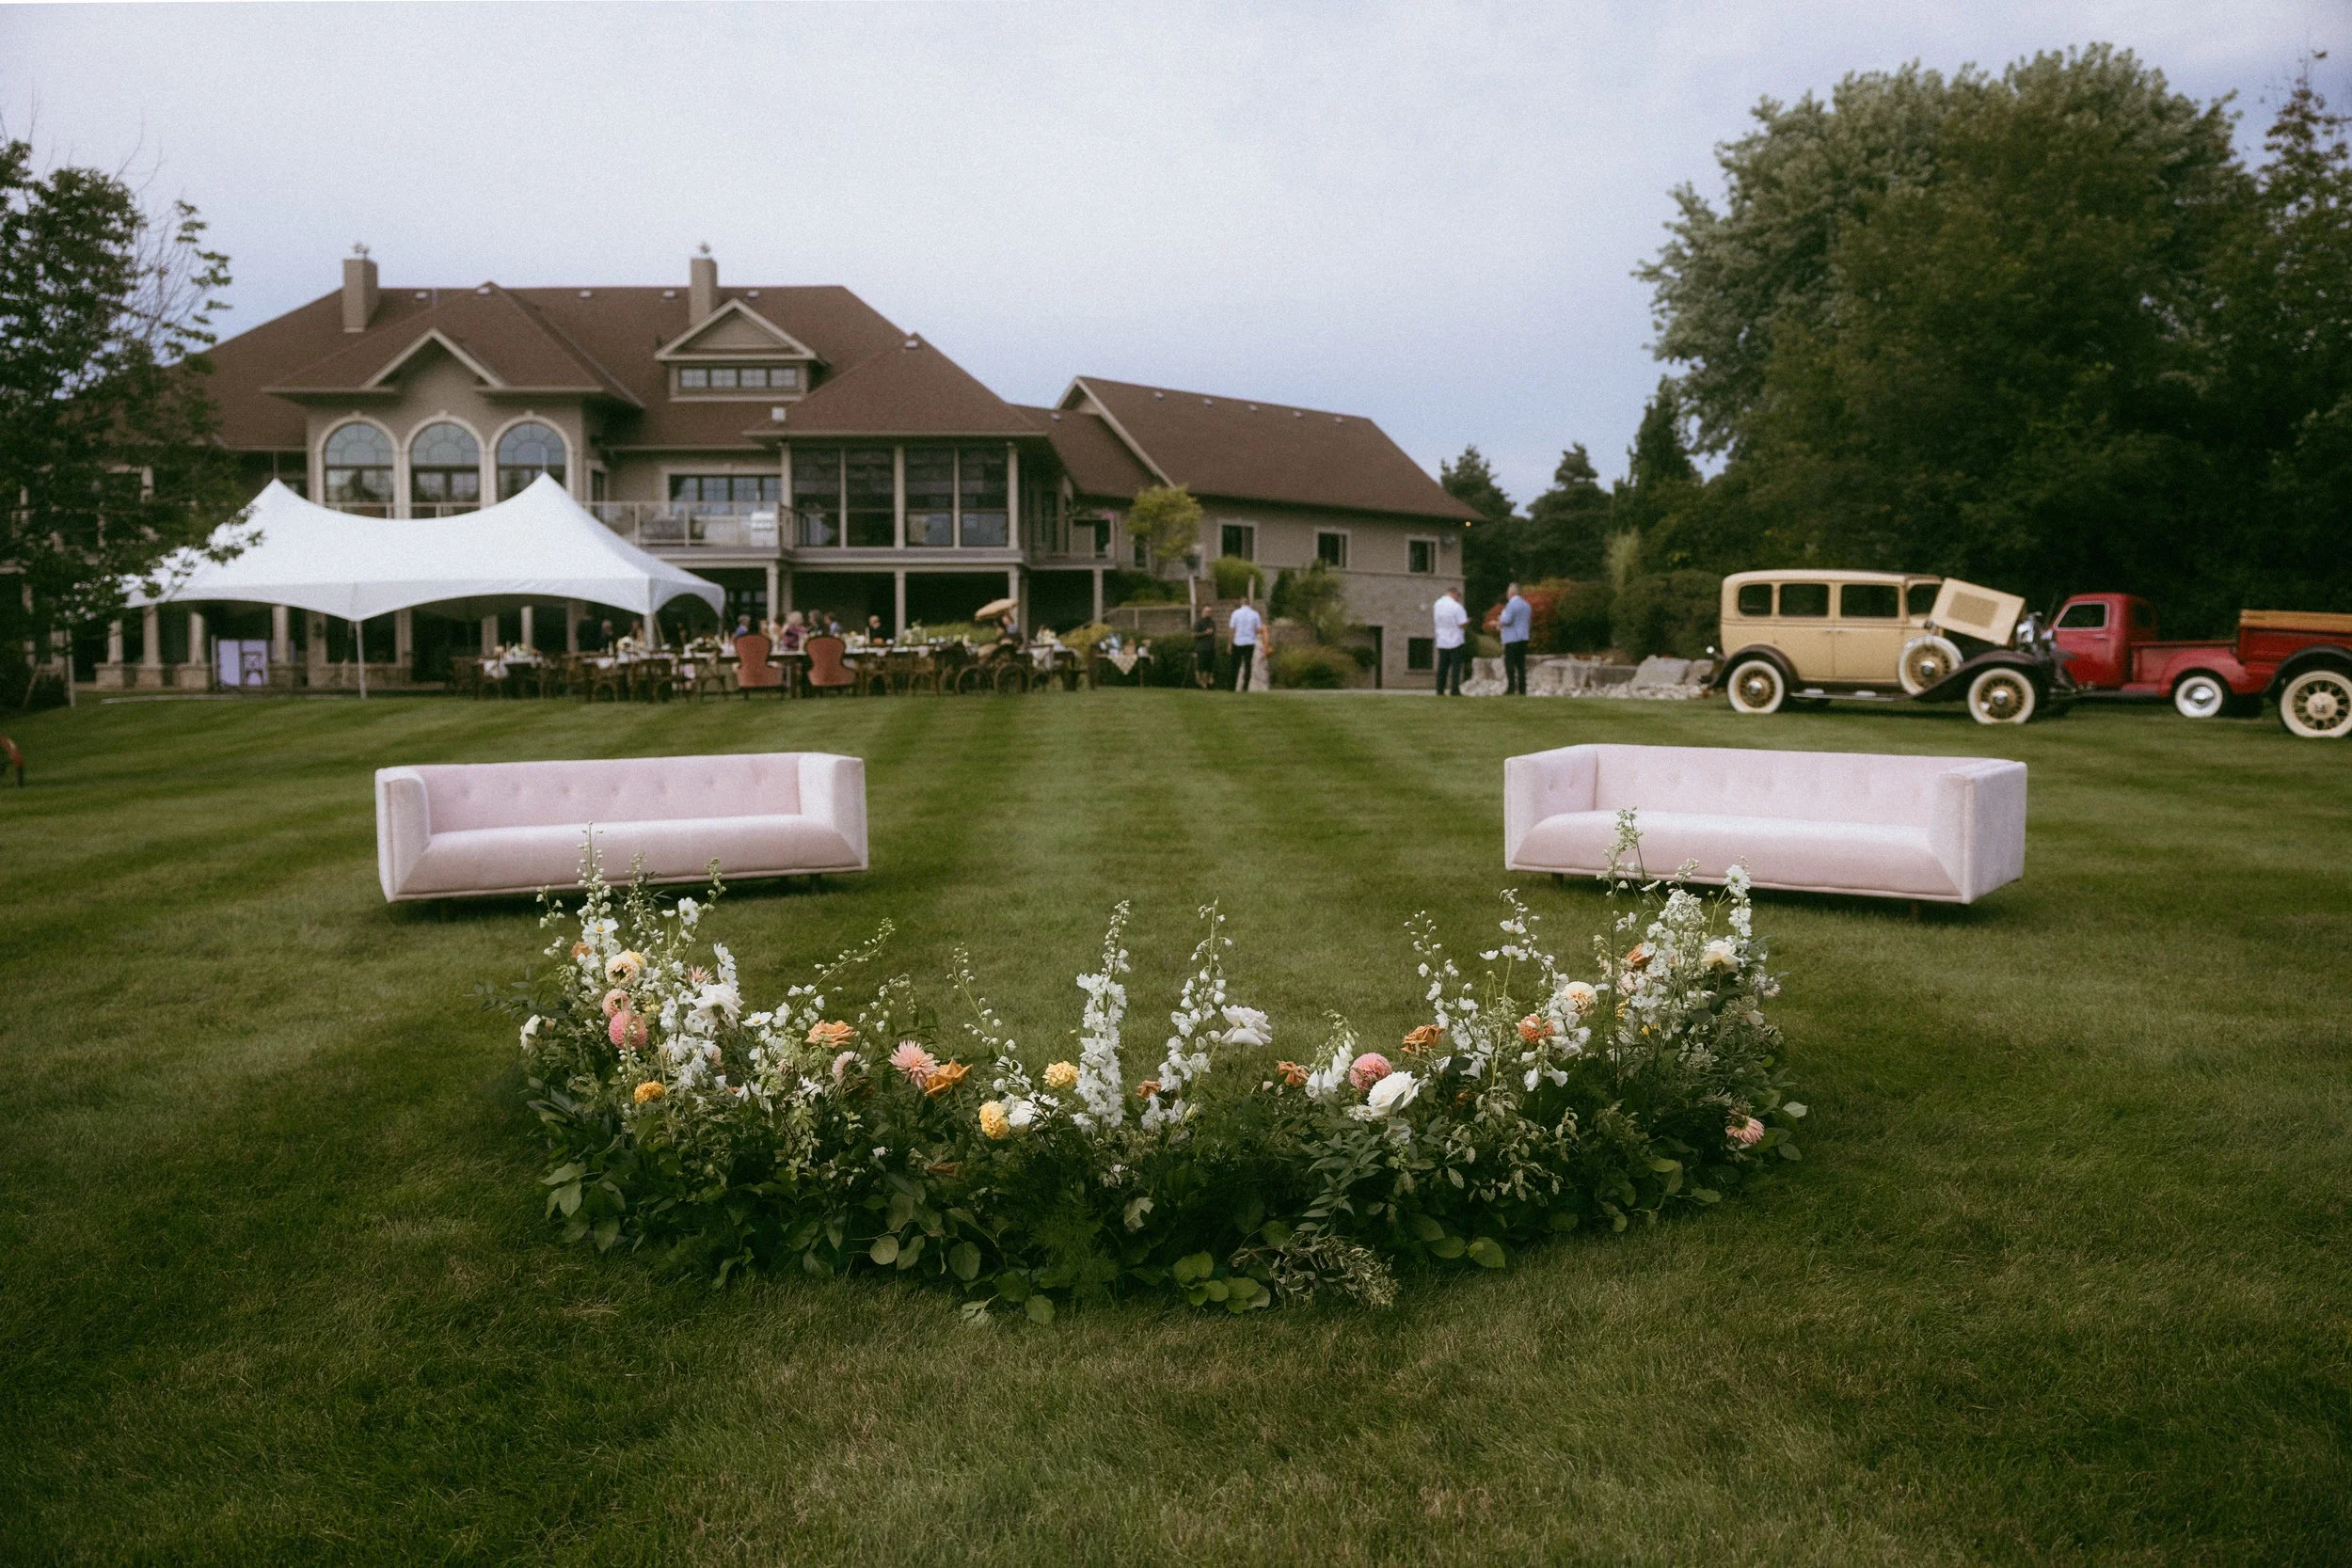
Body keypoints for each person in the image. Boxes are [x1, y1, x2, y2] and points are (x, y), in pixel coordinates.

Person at [1431, 587, 1470, 695]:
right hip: (1455, 640)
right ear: (1454, 593)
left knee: (1442, 667)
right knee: (1456, 668)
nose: (1458, 598)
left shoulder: (1437, 604)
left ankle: (1439, 689)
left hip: (1442, 640)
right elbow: (1462, 624)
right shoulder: (1456, 607)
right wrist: (1468, 622)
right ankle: (1454, 690)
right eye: (1458, 595)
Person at [1499, 582, 1532, 696]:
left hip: (1512, 638)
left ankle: (1511, 688)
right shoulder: (1526, 605)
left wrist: (1498, 621)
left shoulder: (1511, 605)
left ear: (1512, 592)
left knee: (1510, 664)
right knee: (1521, 665)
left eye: (1508, 591)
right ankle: (1522, 689)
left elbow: (1507, 620)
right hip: (1523, 637)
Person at [1228, 595, 1263, 690]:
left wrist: (1229, 643)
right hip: (1249, 642)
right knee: (1248, 664)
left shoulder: (1235, 613)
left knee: (1234, 665)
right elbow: (1259, 629)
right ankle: (1245, 686)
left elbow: (1232, 629)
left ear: (1241, 602)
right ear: (1249, 603)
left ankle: (1231, 686)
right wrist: (1252, 632)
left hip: (1237, 641)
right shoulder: (1255, 614)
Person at [1192, 608, 1217, 690]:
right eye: (1206, 611)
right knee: (1202, 667)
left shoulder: (1212, 623)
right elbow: (1194, 635)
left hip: (1211, 648)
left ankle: (1208, 683)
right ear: (1202, 612)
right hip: (1201, 648)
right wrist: (1205, 633)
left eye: (1210, 612)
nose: (1208, 613)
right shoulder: (1198, 622)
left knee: (1209, 668)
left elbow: (1214, 634)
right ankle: (1202, 683)